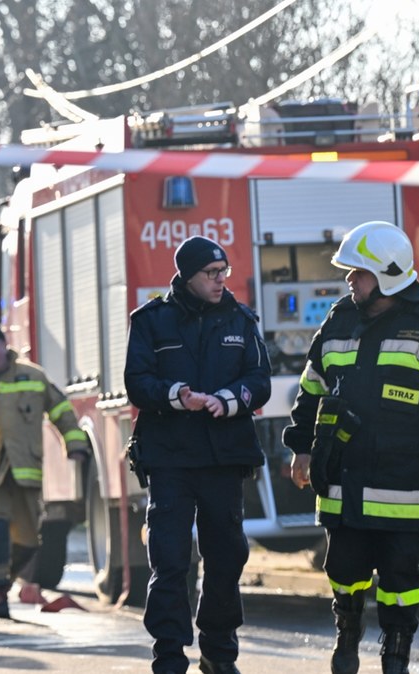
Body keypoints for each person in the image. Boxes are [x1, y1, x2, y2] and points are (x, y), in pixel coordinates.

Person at [284, 221, 419, 674]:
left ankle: (396, 651)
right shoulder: (337, 322)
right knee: (343, 570)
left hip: (402, 483)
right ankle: (347, 637)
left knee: (400, 578)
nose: (351, 280)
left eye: (359, 273)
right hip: (343, 480)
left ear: (388, 275)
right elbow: (310, 392)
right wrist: (302, 447)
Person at [125, 236, 272, 674]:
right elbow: (137, 381)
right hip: (170, 459)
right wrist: (176, 396)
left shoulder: (241, 320)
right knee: (170, 561)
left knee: (226, 559)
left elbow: (259, 378)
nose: (220, 280)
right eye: (211, 273)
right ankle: (169, 657)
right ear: (188, 276)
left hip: (224, 458)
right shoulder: (152, 320)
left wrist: (229, 399)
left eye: (223, 271)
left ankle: (218, 653)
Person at [0, 319, 91, 618]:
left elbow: (61, 410)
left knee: (27, 543)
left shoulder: (32, 377)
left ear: (4, 346)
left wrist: (75, 442)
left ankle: (4, 580)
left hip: (25, 476)